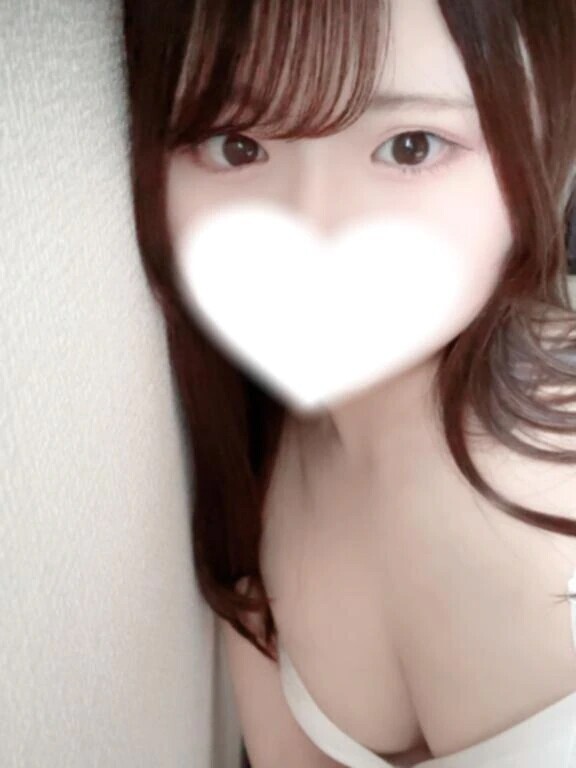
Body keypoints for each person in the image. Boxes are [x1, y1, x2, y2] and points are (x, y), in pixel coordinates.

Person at [122, 1, 576, 765]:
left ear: (538, 149)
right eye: (237, 145)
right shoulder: (258, 444)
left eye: (410, 147)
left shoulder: (538, 509)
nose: (311, 229)